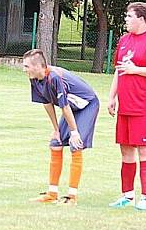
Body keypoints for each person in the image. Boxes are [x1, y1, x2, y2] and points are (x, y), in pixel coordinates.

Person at [107, 2, 146, 211]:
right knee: (125, 151)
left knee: (145, 151)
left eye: (129, 16)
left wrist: (137, 70)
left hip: (145, 108)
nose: (125, 19)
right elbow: (119, 70)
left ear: (141, 19)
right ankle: (127, 195)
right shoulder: (124, 40)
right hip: (125, 107)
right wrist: (112, 97)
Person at [24, 49, 99, 206]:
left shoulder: (55, 77)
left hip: (87, 105)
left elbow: (65, 108)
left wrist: (75, 132)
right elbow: (47, 102)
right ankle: (52, 194)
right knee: (55, 143)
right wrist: (56, 129)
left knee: (75, 145)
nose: (24, 70)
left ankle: (72, 197)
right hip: (70, 108)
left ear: (38, 66)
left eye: (26, 66)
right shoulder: (35, 78)